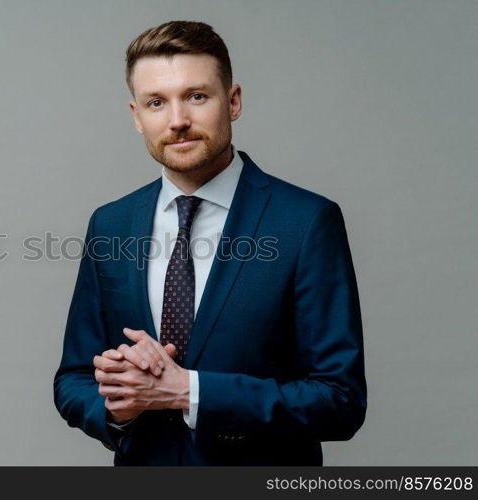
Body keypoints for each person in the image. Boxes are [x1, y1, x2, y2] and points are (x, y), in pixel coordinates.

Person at [53, 20, 367, 466]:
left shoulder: (307, 222)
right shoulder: (111, 224)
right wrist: (117, 407)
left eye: (196, 96)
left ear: (233, 101)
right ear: (136, 116)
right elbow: (73, 378)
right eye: (157, 102)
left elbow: (341, 401)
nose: (178, 121)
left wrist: (189, 391)